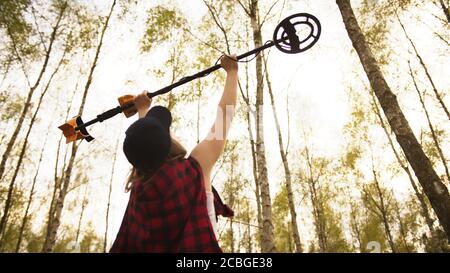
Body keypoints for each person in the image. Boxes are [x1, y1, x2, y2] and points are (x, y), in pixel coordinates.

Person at [110, 54, 239, 253]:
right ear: (167, 140)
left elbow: (145, 147)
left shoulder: (139, 192)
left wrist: (143, 110)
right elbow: (224, 117)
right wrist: (232, 72)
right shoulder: (194, 168)